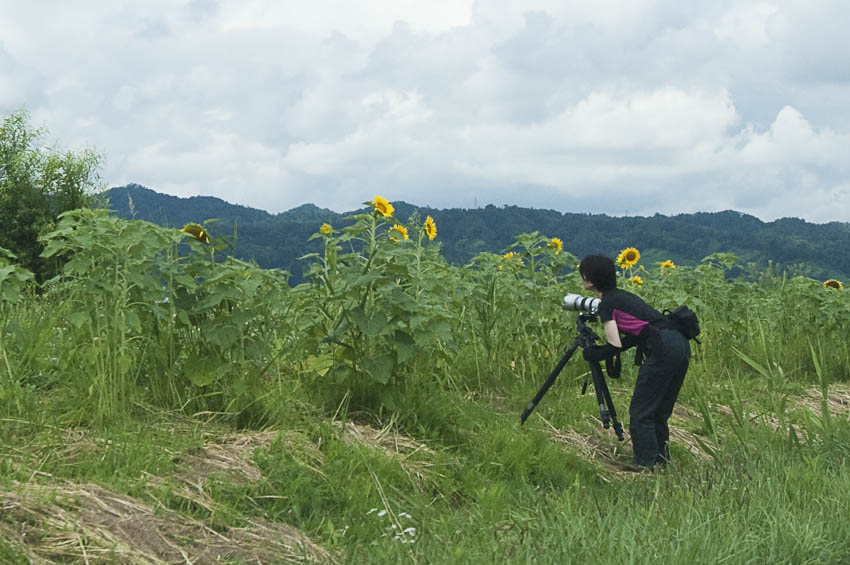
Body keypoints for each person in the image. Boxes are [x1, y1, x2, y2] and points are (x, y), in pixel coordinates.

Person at [578, 254, 690, 470]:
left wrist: (593, 353)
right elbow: (638, 334)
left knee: (641, 412)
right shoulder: (622, 296)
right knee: (659, 411)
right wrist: (600, 352)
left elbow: (615, 344)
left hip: (663, 349)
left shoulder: (608, 304)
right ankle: (660, 462)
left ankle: (645, 466)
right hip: (679, 344)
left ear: (589, 280)